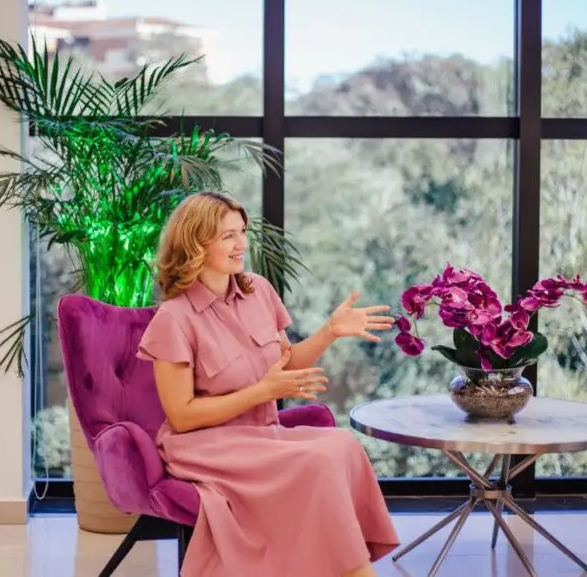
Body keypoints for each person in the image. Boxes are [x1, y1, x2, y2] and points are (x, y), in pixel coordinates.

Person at [137, 191, 400, 577]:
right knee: (316, 461)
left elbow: (285, 362)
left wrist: (330, 331)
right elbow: (182, 416)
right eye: (228, 236)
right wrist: (263, 392)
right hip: (204, 446)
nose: (242, 244)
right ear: (196, 244)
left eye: (242, 232)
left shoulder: (257, 290)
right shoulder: (173, 319)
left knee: (342, 445)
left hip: (261, 433)